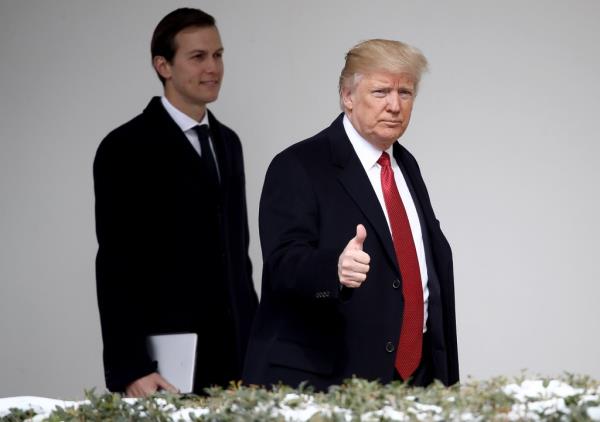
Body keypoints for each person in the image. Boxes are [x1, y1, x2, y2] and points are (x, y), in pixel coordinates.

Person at [243, 39, 458, 391]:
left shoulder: (405, 165)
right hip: (328, 380)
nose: (394, 105)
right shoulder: (298, 165)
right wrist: (334, 269)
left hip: (415, 378)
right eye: (380, 91)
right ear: (347, 96)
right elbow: (282, 263)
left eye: (405, 92)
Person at [94, 8, 258, 397]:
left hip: (236, 361)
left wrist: (258, 351)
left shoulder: (228, 143)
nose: (213, 67)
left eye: (218, 55)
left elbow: (238, 258)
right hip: (166, 366)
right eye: (198, 57)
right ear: (163, 65)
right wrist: (131, 367)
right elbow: (116, 265)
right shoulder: (125, 148)